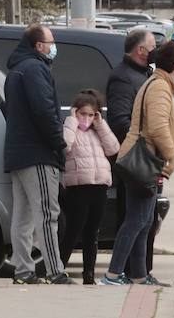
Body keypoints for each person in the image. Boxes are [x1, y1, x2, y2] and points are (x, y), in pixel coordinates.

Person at [102, 40, 174, 287]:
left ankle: (139, 275)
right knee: (137, 220)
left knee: (144, 220)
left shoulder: (156, 82)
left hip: (144, 159)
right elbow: (158, 127)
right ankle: (113, 274)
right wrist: (171, 155)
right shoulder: (160, 87)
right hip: (145, 161)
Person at [3, 24, 72, 285]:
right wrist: (59, 143)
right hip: (37, 153)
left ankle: (23, 271)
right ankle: (56, 271)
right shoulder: (35, 69)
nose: (54, 46)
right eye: (51, 42)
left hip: (18, 153)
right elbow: (44, 111)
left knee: (23, 216)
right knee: (46, 213)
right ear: (38, 45)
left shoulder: (17, 69)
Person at [59, 90, 120, 284]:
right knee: (73, 230)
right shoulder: (71, 130)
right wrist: (71, 122)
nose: (87, 118)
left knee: (92, 233)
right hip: (78, 187)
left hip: (99, 186)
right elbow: (64, 146)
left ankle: (89, 275)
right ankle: (58, 269)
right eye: (83, 114)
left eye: (91, 114)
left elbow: (113, 148)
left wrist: (101, 125)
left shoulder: (97, 131)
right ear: (75, 112)